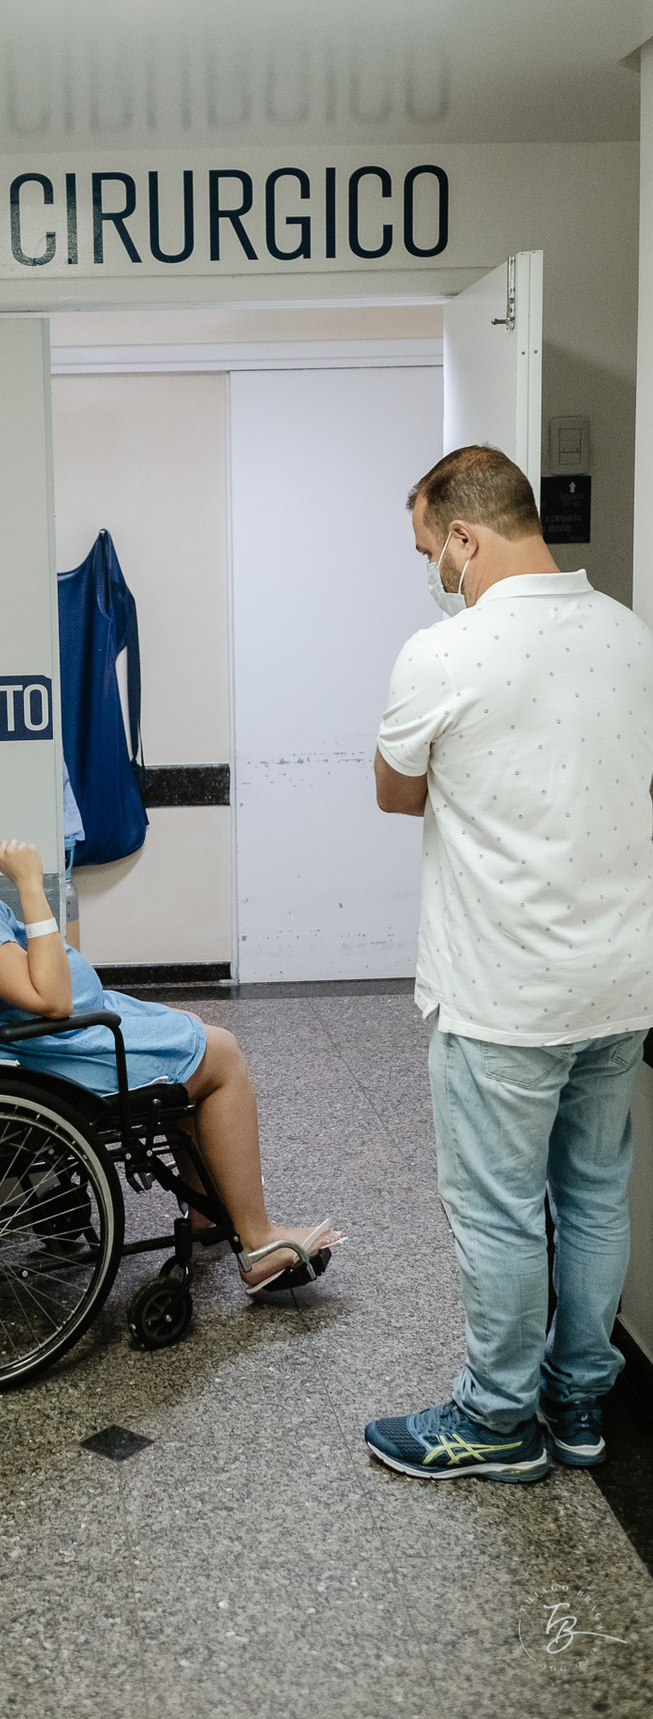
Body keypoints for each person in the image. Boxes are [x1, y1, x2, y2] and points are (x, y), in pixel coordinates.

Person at [365, 445, 653, 1482]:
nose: (433, 571)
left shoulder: (444, 651)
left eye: (429, 550)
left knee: (496, 1208)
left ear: (464, 535)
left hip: (505, 991)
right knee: (595, 1196)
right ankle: (579, 1403)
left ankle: (493, 1418)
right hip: (622, 980)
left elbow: (397, 795)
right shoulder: (631, 634)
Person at [0, 734, 342, 1292]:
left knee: (183, 1043)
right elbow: (52, 999)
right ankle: (259, 1241)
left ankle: (210, 1215)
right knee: (221, 1054)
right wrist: (30, 886)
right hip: (48, 1045)